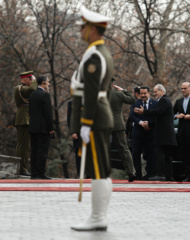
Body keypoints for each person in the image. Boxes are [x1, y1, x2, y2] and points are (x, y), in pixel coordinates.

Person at [70, 6, 114, 231]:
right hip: (101, 117)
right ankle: (99, 216)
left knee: (98, 170)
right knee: (103, 170)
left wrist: (85, 123)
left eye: (84, 27)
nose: (80, 30)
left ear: (93, 30)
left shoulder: (94, 56)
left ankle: (97, 218)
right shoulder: (99, 52)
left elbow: (92, 93)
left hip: (95, 118)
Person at [134, 84, 177, 181]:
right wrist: (149, 123)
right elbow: (159, 118)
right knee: (166, 156)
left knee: (161, 155)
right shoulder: (163, 100)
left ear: (162, 91)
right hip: (165, 135)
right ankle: (169, 176)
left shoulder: (164, 100)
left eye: (155, 91)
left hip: (164, 135)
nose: (154, 93)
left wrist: (144, 112)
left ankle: (161, 174)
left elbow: (158, 112)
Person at [110, 77, 136, 182]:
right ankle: (131, 172)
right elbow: (132, 100)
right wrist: (123, 90)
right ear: (112, 83)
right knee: (124, 149)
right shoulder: (118, 94)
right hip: (117, 125)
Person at [129, 86, 158, 180]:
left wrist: (149, 124)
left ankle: (150, 175)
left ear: (149, 93)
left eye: (145, 93)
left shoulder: (155, 103)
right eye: (141, 93)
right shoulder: (135, 103)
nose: (143, 95)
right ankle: (137, 175)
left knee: (151, 154)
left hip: (151, 133)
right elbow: (132, 116)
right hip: (138, 134)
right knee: (135, 155)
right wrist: (141, 123)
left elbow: (157, 116)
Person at [29, 75, 54, 179]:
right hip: (43, 128)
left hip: (33, 127)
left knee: (34, 150)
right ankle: (40, 173)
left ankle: (34, 172)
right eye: (47, 82)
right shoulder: (45, 95)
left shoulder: (32, 94)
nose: (48, 84)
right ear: (43, 83)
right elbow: (48, 114)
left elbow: (30, 111)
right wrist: (51, 128)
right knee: (42, 151)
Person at [13, 70, 37, 176]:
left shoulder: (20, 88)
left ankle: (19, 167)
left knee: (21, 144)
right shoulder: (21, 88)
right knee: (24, 145)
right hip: (24, 118)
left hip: (22, 118)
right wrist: (36, 81)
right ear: (26, 79)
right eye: (30, 80)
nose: (31, 82)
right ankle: (22, 168)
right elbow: (32, 89)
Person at [67, 100, 81, 177]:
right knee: (78, 155)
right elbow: (70, 119)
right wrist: (73, 132)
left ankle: (89, 175)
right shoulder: (72, 103)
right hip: (77, 133)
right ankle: (80, 174)